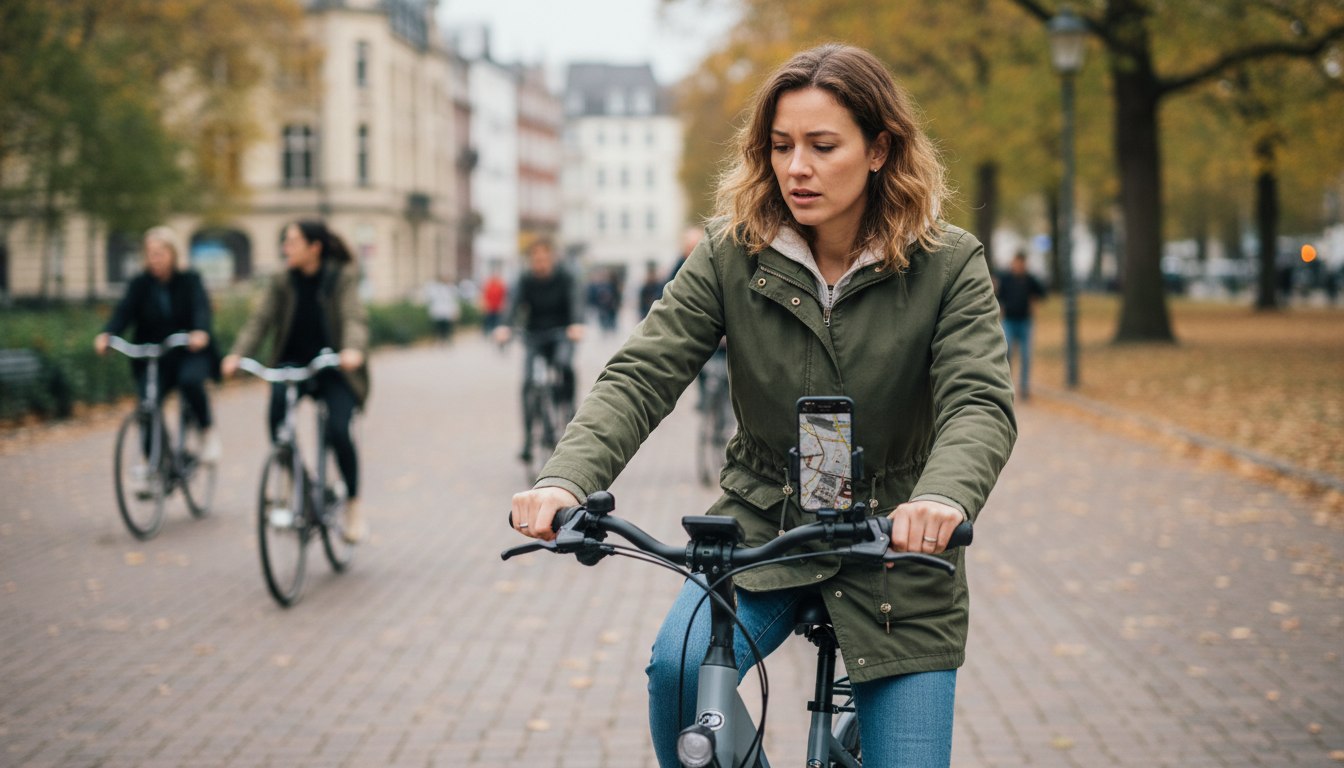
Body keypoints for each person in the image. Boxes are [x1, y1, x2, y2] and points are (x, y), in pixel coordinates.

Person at [507, 44, 1015, 766]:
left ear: (878, 149)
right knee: (678, 670)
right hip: (761, 526)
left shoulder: (947, 261)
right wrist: (565, 477)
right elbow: (643, 372)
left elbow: (978, 401)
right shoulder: (729, 252)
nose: (796, 167)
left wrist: (942, 498)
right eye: (781, 146)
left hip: (897, 547)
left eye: (822, 145)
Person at [221, 220, 370, 543]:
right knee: (277, 420)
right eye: (284, 242)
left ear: (314, 247)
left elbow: (353, 317)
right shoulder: (281, 279)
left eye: (292, 242)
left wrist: (352, 350)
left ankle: (353, 506)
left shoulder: (340, 276)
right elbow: (260, 320)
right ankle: (297, 480)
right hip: (292, 363)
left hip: (333, 365)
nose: (285, 248)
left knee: (338, 430)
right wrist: (237, 354)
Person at [95, 226, 221, 466]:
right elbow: (124, 312)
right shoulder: (140, 284)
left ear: (173, 254)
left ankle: (207, 431)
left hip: (187, 352)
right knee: (146, 404)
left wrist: (200, 332)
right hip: (154, 355)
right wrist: (107, 334)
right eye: (151, 253)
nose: (155, 258)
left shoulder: (189, 280)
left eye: (161, 252)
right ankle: (157, 461)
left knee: (191, 382)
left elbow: (200, 308)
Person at [492, 240, 584, 463]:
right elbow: (512, 304)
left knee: (564, 365)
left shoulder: (565, 276)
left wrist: (576, 323)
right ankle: (526, 440)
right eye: (535, 259)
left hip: (562, 332)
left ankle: (569, 409)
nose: (539, 263)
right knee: (528, 383)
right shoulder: (525, 279)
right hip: (534, 335)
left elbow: (576, 302)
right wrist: (504, 326)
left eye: (544, 258)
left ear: (552, 258)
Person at [995, 250, 1046, 400]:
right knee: (1006, 353)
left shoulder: (1030, 279)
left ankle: (1024, 388)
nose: (1019, 266)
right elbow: (997, 295)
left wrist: (1033, 302)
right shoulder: (1005, 278)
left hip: (1025, 322)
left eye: (1021, 263)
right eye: (1017, 263)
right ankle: (1005, 386)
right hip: (1009, 321)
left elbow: (1042, 293)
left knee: (1025, 356)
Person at [423, 272, 461, 343]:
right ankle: (439, 340)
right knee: (438, 327)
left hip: (447, 311)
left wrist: (455, 311)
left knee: (447, 327)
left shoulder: (451, 288)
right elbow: (429, 298)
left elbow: (453, 301)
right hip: (437, 311)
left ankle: (446, 340)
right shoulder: (434, 287)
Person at [480, 265, 507, 333]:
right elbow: (484, 295)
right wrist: (485, 304)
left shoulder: (500, 284)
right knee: (488, 320)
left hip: (497, 307)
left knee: (496, 321)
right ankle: (487, 332)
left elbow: (503, 295)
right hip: (490, 307)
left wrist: (503, 305)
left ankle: (495, 332)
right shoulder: (488, 284)